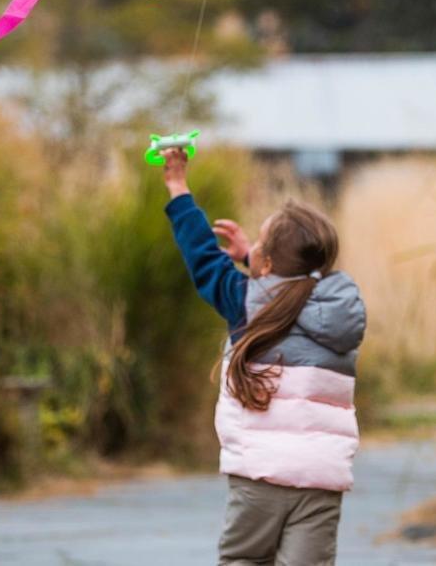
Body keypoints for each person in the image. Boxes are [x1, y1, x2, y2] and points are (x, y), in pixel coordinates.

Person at [160, 147, 367, 566]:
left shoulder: (245, 303)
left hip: (259, 476)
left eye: (259, 243)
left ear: (267, 262)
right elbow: (296, 285)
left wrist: (178, 187)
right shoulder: (343, 313)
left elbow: (201, 257)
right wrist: (254, 257)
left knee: (245, 560)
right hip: (319, 479)